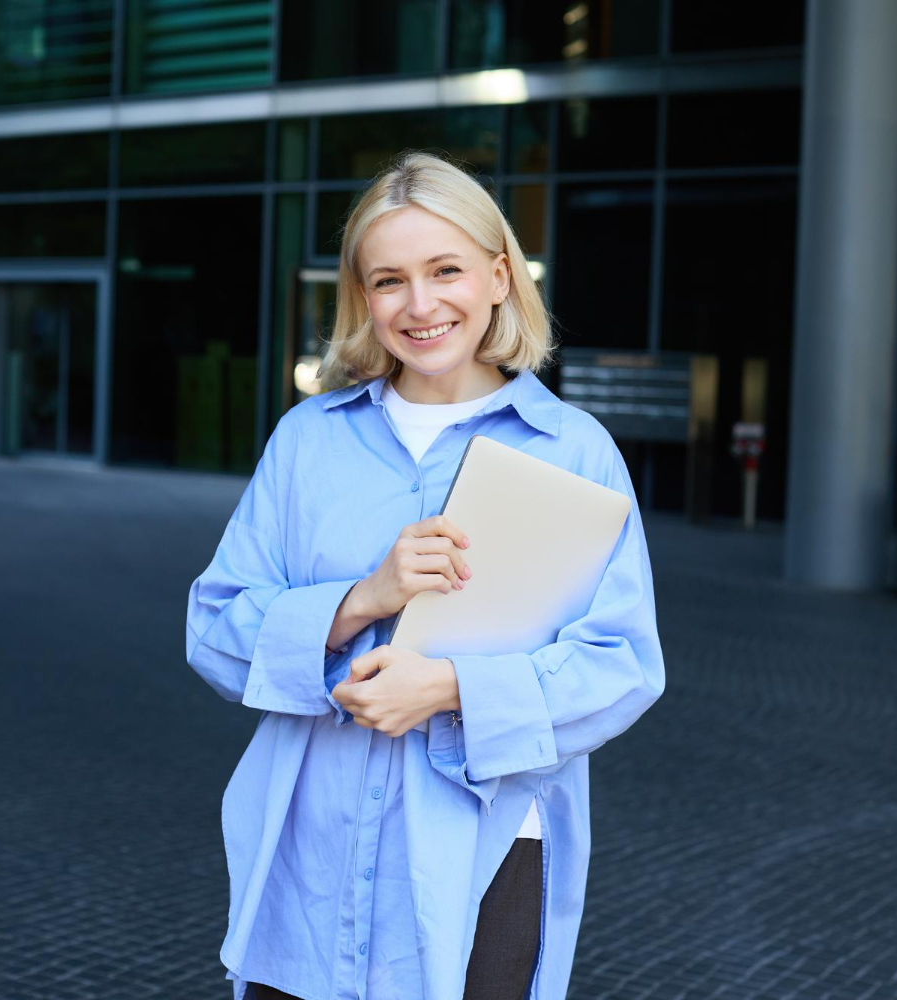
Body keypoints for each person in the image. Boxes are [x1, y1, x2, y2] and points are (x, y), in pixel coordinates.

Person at [185, 150, 665, 1000]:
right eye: (389, 280)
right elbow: (216, 628)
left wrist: (447, 690)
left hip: (486, 848)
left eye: (445, 270)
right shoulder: (309, 440)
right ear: (362, 298)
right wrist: (362, 599)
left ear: (497, 275)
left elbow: (621, 666)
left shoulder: (574, 450)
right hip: (311, 839)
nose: (421, 304)